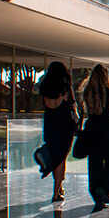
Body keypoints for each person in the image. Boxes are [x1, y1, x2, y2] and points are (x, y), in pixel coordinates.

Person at [80, 64, 109, 212]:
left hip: (92, 129)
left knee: (95, 163)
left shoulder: (87, 93)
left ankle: (97, 194)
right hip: (108, 130)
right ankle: (105, 186)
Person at [36, 61, 79, 203]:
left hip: (50, 126)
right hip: (64, 127)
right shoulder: (65, 88)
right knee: (61, 159)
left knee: (56, 156)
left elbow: (45, 107)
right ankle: (56, 192)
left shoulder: (44, 88)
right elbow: (73, 106)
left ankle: (59, 187)